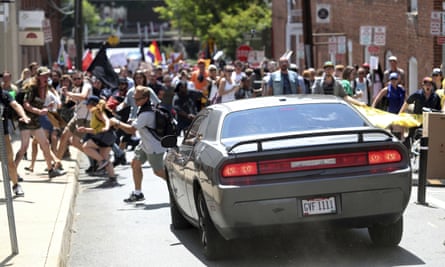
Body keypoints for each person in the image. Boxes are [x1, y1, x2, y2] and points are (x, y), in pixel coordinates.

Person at [110, 86, 167, 202]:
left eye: (137, 99)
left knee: (158, 172)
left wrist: (118, 123)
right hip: (145, 144)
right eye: (134, 99)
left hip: (154, 147)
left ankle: (176, 184)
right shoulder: (143, 108)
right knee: (135, 163)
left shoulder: (147, 113)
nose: (135, 102)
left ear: (146, 98)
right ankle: (138, 193)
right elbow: (137, 124)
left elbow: (131, 130)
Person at [14, 66, 65, 179]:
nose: (46, 77)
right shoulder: (32, 88)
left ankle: (51, 170)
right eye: (44, 75)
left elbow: (38, 104)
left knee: (45, 143)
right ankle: (12, 172)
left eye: (47, 75)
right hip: (26, 120)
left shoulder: (45, 88)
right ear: (38, 77)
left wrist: (46, 107)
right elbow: (26, 104)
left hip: (35, 121)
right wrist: (39, 111)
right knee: (24, 147)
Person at [78, 96, 118, 184]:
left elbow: (106, 120)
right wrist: (85, 129)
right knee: (105, 157)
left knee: (85, 146)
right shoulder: (95, 113)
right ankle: (112, 178)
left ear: (91, 104)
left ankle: (102, 161)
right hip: (108, 137)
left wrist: (107, 127)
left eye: (87, 104)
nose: (86, 106)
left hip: (105, 136)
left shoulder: (97, 111)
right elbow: (96, 130)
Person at [1, 85, 31, 196]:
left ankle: (16, 185)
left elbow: (15, 105)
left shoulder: (4, 95)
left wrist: (23, 115)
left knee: (10, 163)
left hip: (3, 135)